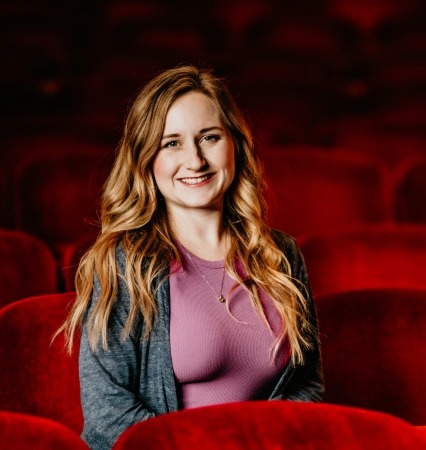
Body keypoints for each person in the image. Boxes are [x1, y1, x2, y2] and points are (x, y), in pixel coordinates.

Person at [61, 64, 324, 450]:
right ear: (147, 159)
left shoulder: (280, 255)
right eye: (172, 143)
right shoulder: (124, 264)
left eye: (209, 137)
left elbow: (307, 386)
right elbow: (108, 414)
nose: (196, 160)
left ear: (235, 142)